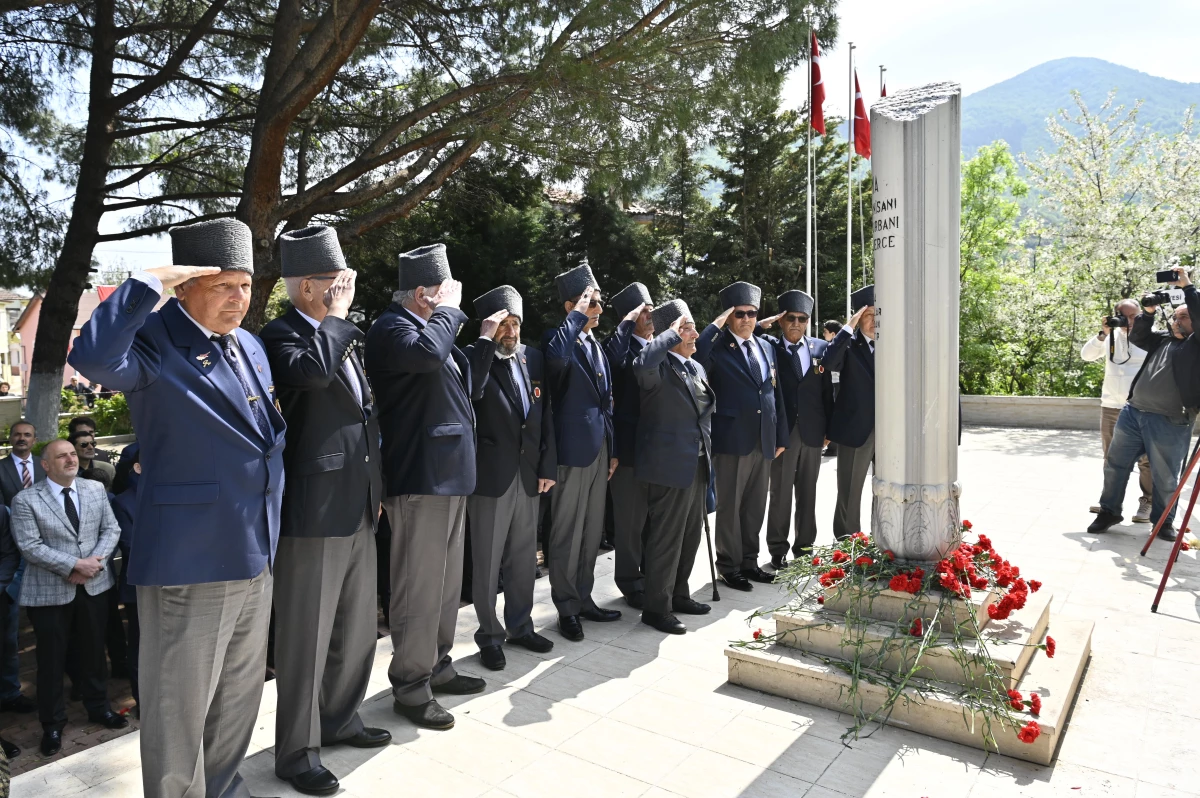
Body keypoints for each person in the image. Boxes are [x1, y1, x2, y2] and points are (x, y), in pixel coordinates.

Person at [67, 217, 286, 798]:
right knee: (178, 705)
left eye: (245, 285)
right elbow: (92, 357)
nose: (239, 299)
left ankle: (221, 785)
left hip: (255, 546)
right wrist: (145, 284)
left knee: (239, 692)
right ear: (185, 287)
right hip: (191, 557)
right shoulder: (155, 339)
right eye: (222, 286)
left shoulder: (251, 346)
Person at [260, 225, 391, 795]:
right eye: (340, 281)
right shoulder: (280, 335)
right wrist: (334, 319)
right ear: (310, 286)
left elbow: (365, 417)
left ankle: (338, 718)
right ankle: (296, 751)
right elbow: (311, 376)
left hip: (359, 505)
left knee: (357, 629)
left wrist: (376, 491)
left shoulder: (342, 337)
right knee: (306, 639)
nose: (349, 288)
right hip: (312, 512)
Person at [365, 242, 486, 732]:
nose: (453, 300)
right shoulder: (392, 328)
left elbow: (460, 381)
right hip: (421, 475)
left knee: (445, 584)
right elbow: (426, 356)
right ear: (422, 293)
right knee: (419, 586)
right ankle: (411, 686)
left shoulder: (428, 329)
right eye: (445, 291)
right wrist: (451, 313)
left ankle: (437, 664)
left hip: (450, 473)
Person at [11, 439, 126, 756]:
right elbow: (30, 546)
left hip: (93, 586)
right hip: (49, 594)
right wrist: (74, 565)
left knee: (93, 653)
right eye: (61, 456)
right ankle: (52, 725)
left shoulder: (94, 490)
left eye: (73, 453)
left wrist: (92, 564)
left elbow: (111, 530)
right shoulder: (26, 500)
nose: (70, 459)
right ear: (45, 465)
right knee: (51, 662)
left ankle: (99, 708)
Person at [463, 286, 557, 671]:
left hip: (527, 475)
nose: (511, 331)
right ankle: (489, 635)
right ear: (490, 326)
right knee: (486, 564)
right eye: (504, 324)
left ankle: (521, 625)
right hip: (490, 478)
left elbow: (543, 415)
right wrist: (486, 344)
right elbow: (472, 392)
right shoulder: (474, 357)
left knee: (523, 559)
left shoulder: (529, 360)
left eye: (515, 324)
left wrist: (547, 467)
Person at [543, 263, 629, 641]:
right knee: (566, 532)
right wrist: (575, 318)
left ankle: (584, 597)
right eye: (589, 303)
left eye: (597, 302)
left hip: (598, 451)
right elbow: (556, 361)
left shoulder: (594, 343)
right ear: (570, 306)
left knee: (591, 530)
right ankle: (565, 606)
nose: (597, 308)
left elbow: (605, 402)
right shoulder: (558, 340)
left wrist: (612, 448)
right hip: (571, 453)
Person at [1089, 268, 1200, 540]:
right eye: (1175, 316)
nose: (1177, 321)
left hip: (1170, 420)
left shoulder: (1196, 345)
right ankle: (1109, 511)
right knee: (1115, 465)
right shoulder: (1163, 339)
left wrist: (1187, 286)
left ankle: (1162, 522)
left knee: (1164, 477)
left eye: (1184, 317)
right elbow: (1138, 336)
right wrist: (1148, 313)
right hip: (1133, 413)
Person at [693, 281, 788, 591]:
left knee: (754, 505)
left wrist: (781, 434)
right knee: (730, 507)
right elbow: (698, 356)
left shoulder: (766, 346)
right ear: (729, 317)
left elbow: (776, 393)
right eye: (739, 314)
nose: (747, 319)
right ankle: (729, 566)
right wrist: (715, 325)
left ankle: (749, 561)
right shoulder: (717, 348)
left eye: (751, 313)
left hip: (764, 439)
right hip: (732, 440)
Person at [633, 300, 714, 634]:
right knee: (666, 539)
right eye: (686, 329)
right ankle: (656, 608)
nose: (694, 334)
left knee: (690, 535)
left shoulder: (694, 367)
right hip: (668, 467)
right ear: (669, 334)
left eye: (693, 326)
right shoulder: (658, 366)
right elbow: (643, 361)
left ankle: (679, 594)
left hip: (697, 463)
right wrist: (668, 334)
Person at [757, 291, 830, 569]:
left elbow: (827, 394)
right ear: (781, 320)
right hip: (783, 434)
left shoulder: (820, 349)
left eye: (802, 319)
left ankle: (805, 547)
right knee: (780, 493)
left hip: (813, 432)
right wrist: (764, 323)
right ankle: (777, 549)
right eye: (791, 318)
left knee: (808, 492)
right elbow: (749, 336)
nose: (797, 323)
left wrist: (829, 429)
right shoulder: (768, 347)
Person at [604, 282, 654, 609]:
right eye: (643, 311)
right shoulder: (618, 348)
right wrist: (624, 326)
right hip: (630, 451)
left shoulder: (662, 345)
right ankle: (629, 581)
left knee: (654, 521)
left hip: (659, 451)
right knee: (630, 523)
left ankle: (652, 577)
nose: (651, 316)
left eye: (652, 308)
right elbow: (615, 368)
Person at [1081, 299, 1153, 522]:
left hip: (1143, 407)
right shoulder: (1111, 337)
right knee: (1111, 458)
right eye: (1126, 316)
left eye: (1135, 316)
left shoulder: (1152, 336)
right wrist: (1103, 334)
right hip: (1112, 406)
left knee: (1146, 459)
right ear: (1117, 316)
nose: (1131, 321)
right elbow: (1087, 355)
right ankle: (1109, 503)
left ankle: (1148, 502)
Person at [825, 285, 876, 540]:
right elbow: (829, 361)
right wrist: (848, 328)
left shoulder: (894, 345)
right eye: (869, 315)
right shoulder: (848, 345)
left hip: (889, 432)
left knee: (887, 490)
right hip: (856, 430)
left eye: (880, 314)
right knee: (850, 490)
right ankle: (848, 541)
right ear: (859, 318)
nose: (875, 321)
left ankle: (883, 537)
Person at [0, 420, 41, 717]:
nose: (21, 438)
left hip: (45, 553)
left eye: (27, 434)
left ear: (34, 439)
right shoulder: (0, 469)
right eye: (17, 434)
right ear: (10, 438)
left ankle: (10, 692)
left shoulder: (45, 465)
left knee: (10, 635)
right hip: (14, 550)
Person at [109, 444, 140, 715]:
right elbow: (130, 545)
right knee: (140, 648)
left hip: (174, 587)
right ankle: (143, 701)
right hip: (138, 588)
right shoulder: (123, 501)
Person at [821, 320, 842, 457]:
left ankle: (833, 446)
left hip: (837, 384)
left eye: (825, 332)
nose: (823, 335)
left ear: (833, 334)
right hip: (834, 383)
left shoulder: (835, 348)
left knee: (835, 413)